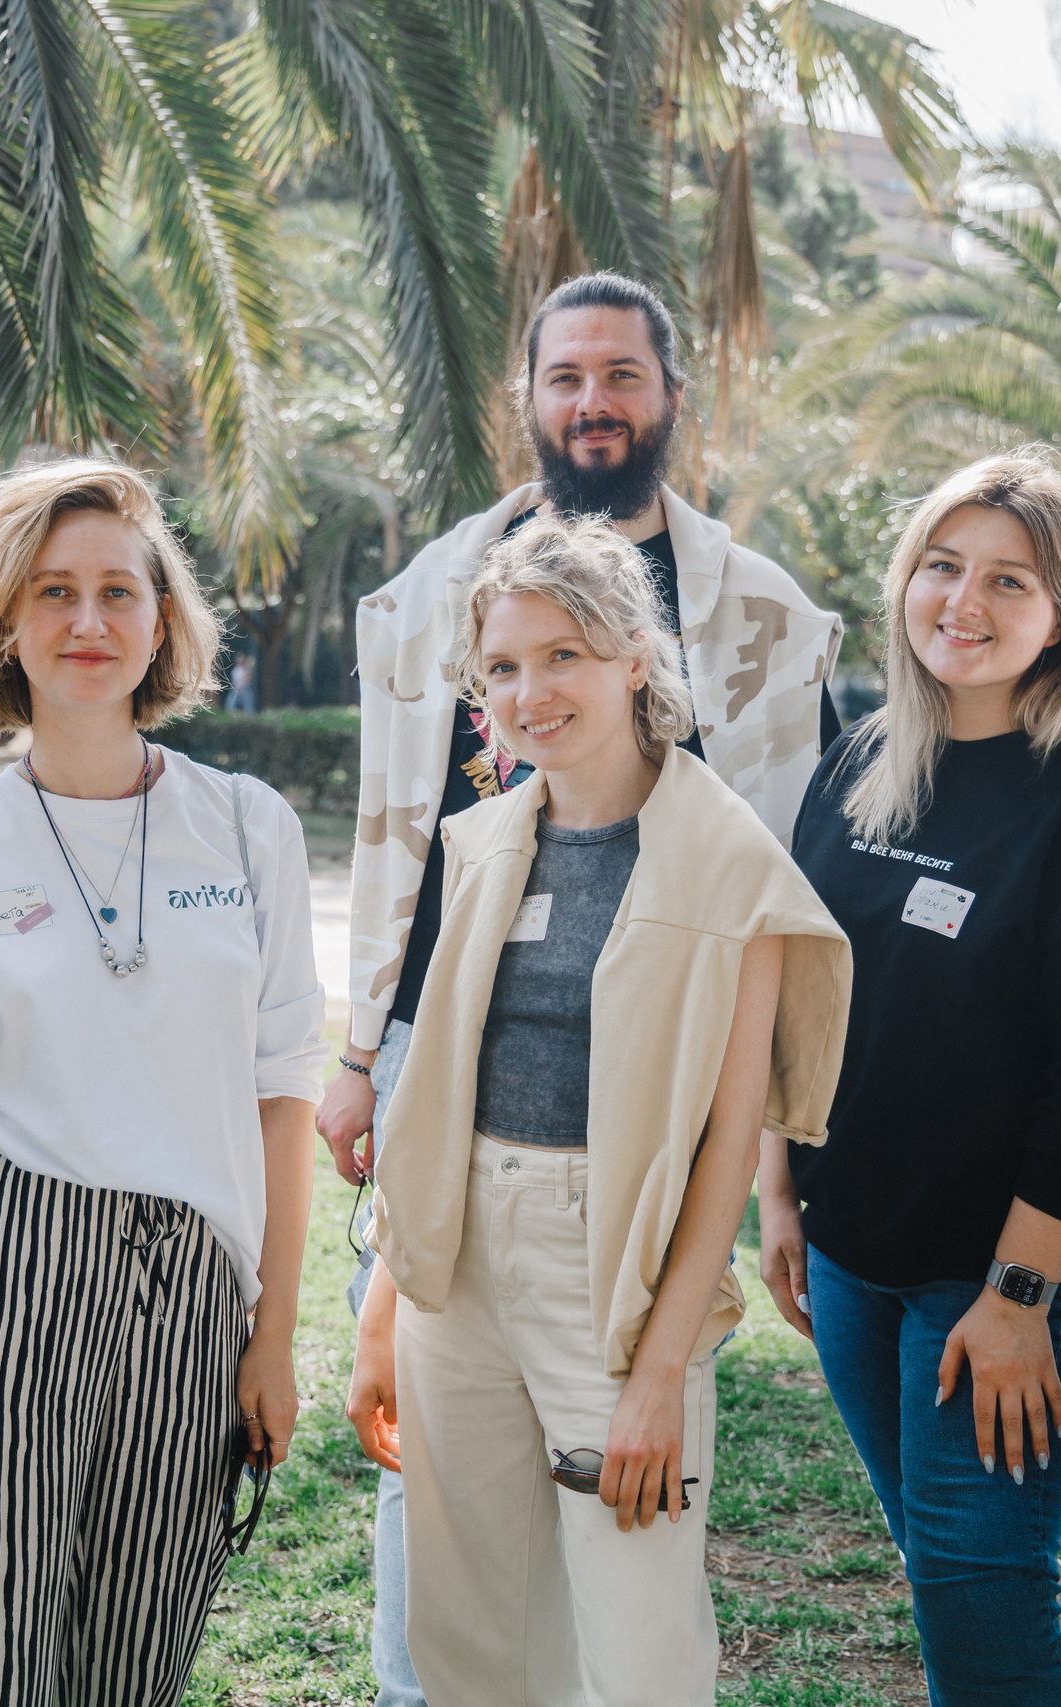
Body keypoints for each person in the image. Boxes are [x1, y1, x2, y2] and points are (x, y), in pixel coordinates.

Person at [316, 270, 844, 1705]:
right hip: (453, 1158)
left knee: (632, 1608)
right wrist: (364, 1069)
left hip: (636, 1152)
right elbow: (399, 876)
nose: (532, 690)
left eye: (621, 374)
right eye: (565, 376)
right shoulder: (474, 778)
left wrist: (679, 1339)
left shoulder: (732, 765)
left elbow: (732, 1097)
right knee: (459, 1587)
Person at [0, 458, 324, 1706]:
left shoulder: (247, 826)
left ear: (161, 620)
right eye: (52, 592)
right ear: (4, 623)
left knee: (134, 1672)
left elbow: (282, 1096)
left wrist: (271, 1333)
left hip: (192, 1296)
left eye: (117, 592)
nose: (88, 621)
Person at [754, 451, 1061, 1704]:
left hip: (1008, 1279)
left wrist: (1015, 1299)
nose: (964, 601)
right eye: (942, 566)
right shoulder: (856, 763)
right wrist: (780, 1195)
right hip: (851, 1259)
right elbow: (794, 993)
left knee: (982, 1599)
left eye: (1010, 580)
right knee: (944, 1574)